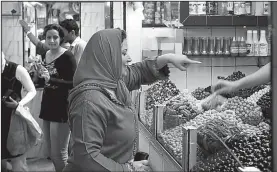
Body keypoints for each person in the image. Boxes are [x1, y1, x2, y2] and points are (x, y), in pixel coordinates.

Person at [63, 29, 201, 172]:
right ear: (107, 57)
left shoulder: (113, 82)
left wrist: (168, 58)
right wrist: (127, 169)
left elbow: (137, 72)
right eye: (123, 53)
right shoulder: (88, 101)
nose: (129, 58)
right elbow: (86, 157)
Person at [36, 24, 77, 172]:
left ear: (60, 38)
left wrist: (50, 80)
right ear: (45, 38)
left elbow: (74, 82)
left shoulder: (67, 56)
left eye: (55, 37)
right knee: (50, 153)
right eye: (49, 37)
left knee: (59, 154)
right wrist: (38, 74)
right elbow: (45, 80)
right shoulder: (46, 54)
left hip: (62, 106)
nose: (52, 40)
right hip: (48, 104)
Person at [1, 52, 37, 171]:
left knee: (18, 158)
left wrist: (19, 104)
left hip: (14, 116)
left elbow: (32, 90)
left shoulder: (17, 69)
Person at [19, 19, 87, 64]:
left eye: (62, 32)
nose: (62, 35)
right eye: (48, 37)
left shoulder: (80, 45)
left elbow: (77, 70)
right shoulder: (68, 45)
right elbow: (41, 45)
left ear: (72, 33)